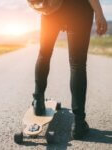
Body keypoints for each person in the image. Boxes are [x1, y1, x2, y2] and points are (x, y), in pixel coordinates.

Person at [31, 0, 107, 139]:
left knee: (44, 53)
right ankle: (78, 124)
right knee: (77, 64)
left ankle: (38, 101)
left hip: (51, 7)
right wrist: (99, 13)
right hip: (79, 7)